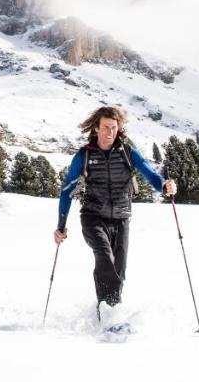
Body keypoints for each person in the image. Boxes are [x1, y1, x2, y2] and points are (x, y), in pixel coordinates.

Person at [53, 106, 177, 322]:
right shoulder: (84, 155)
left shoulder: (128, 152)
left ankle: (111, 311)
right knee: (104, 257)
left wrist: (165, 186)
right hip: (92, 216)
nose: (109, 133)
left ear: (118, 129)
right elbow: (66, 190)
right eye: (105, 128)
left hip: (121, 218)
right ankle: (110, 315)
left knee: (119, 271)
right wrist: (61, 226)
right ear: (97, 129)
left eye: (113, 128)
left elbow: (150, 174)